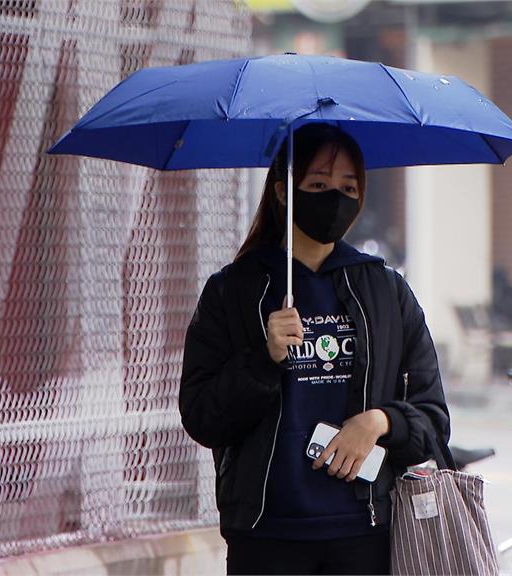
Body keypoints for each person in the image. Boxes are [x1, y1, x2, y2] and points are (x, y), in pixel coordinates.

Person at [179, 123, 451, 575]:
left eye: (348, 187)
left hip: (365, 535)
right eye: (319, 185)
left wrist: (379, 421)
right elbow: (201, 416)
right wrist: (263, 360)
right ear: (285, 193)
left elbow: (433, 419)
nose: (335, 199)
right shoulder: (233, 291)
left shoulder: (386, 291)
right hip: (265, 536)